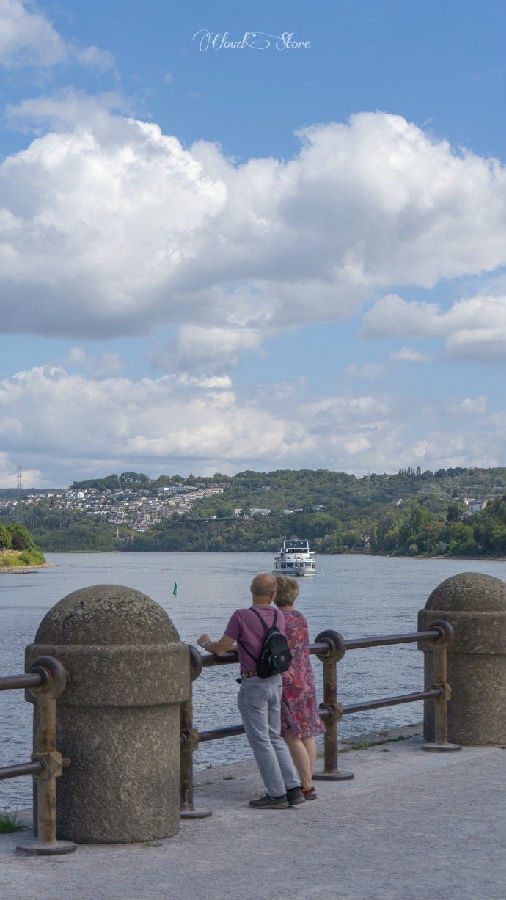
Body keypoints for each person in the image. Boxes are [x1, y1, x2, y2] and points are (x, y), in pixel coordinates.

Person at [197, 572, 305, 810]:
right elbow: (263, 641)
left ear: (251, 591)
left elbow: (221, 647)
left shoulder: (241, 616)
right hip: (275, 680)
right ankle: (293, 788)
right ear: (273, 595)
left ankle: (276, 794)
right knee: (274, 736)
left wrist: (205, 642)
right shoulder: (279, 615)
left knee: (260, 740)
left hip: (254, 683)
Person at [274, 574, 324, 800]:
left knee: (290, 731)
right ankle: (308, 781)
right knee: (306, 731)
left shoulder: (278, 619)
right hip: (306, 677)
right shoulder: (300, 617)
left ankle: (306, 785)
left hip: (287, 679)